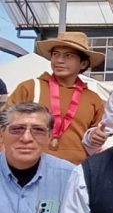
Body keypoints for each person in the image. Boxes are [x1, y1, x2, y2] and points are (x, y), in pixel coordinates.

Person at [6, 31, 105, 165]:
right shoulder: (29, 87)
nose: (59, 60)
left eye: (68, 56)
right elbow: (4, 125)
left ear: (83, 64)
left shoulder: (93, 99)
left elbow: (97, 141)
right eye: (55, 54)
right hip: (30, 169)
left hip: (76, 173)